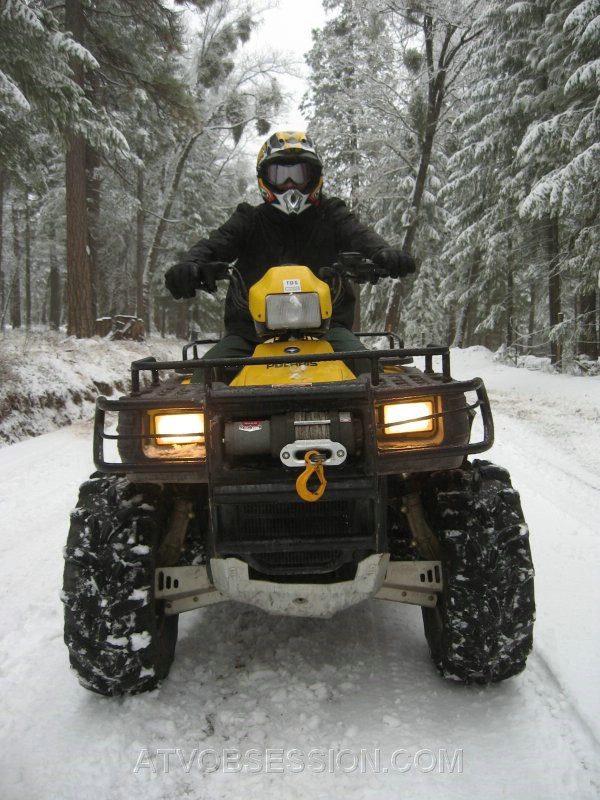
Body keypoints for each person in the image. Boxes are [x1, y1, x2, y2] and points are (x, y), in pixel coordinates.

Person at [165, 130, 415, 378]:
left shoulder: (331, 214)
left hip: (328, 329)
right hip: (250, 333)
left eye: (299, 174)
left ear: (314, 177)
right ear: (265, 179)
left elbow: (359, 234)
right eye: (280, 175)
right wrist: (192, 264)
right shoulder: (249, 219)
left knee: (372, 375)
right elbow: (217, 243)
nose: (290, 184)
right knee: (203, 382)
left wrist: (382, 252)